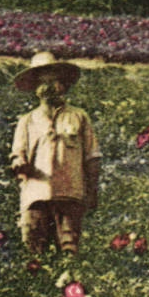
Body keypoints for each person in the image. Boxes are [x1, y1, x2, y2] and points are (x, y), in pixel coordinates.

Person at [10, 51, 100, 255]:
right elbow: (18, 152)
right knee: (34, 250)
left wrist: (92, 191)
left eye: (54, 81)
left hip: (69, 193)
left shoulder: (79, 117)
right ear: (35, 89)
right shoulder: (27, 121)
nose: (49, 88)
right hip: (36, 195)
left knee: (69, 250)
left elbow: (92, 156)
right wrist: (19, 163)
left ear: (64, 85)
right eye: (43, 83)